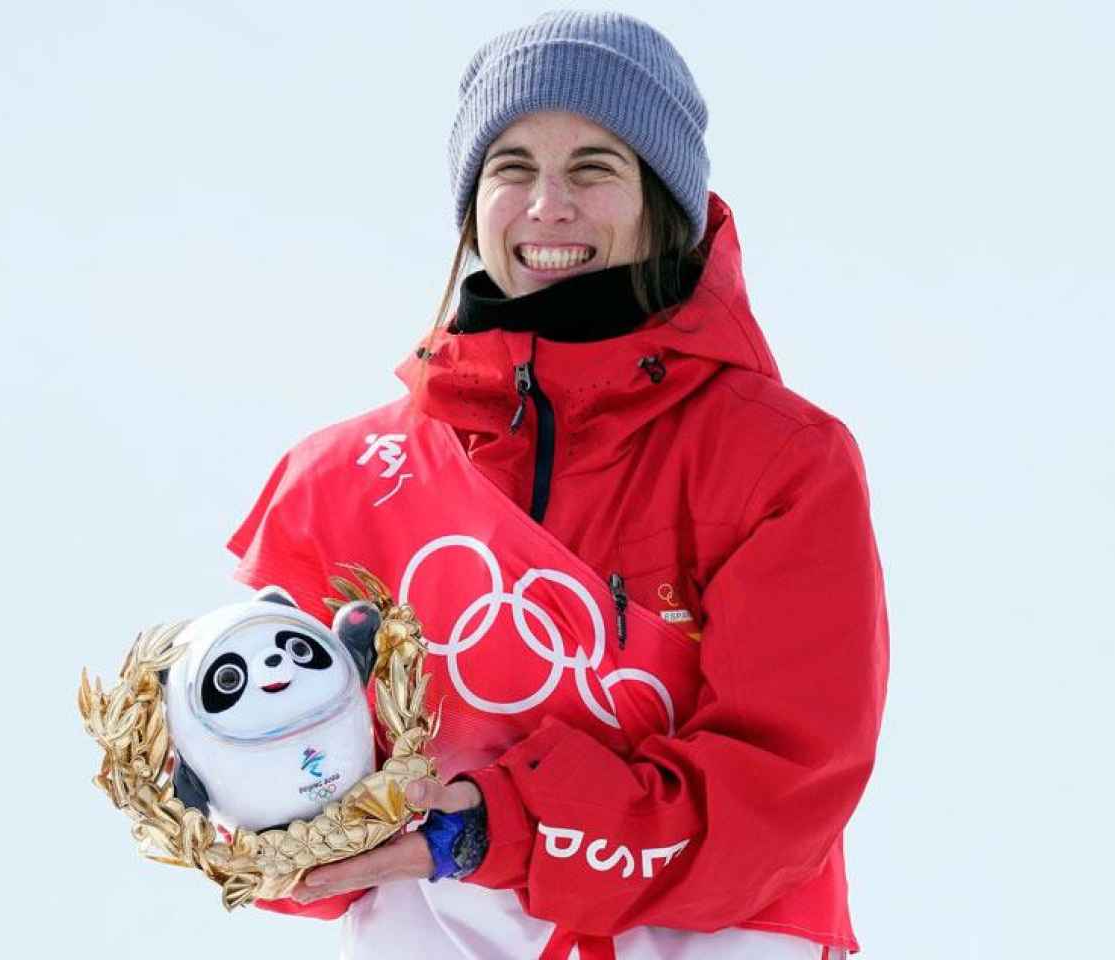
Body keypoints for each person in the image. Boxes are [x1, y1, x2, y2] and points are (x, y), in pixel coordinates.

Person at [224, 10, 889, 959]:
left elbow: (779, 796)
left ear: (664, 200)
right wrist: (233, 783)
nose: (547, 207)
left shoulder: (779, 463)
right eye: (512, 169)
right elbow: (296, 845)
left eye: (593, 168)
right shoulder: (338, 484)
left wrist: (492, 826)